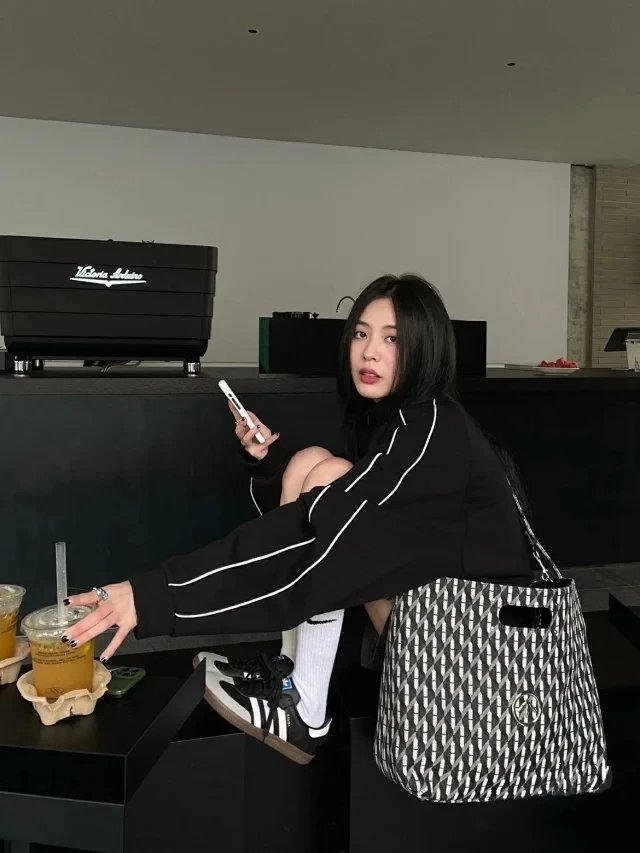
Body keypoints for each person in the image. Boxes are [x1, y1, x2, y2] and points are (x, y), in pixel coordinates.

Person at [63, 274, 533, 765]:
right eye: (361, 333)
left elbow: (313, 541)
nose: (369, 352)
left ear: (426, 349)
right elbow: (320, 524)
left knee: (329, 490)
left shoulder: (429, 435)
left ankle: (305, 706)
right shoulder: (407, 420)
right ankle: (292, 675)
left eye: (393, 339)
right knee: (314, 464)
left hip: (473, 657)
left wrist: (153, 596)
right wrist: (266, 464)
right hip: (431, 619)